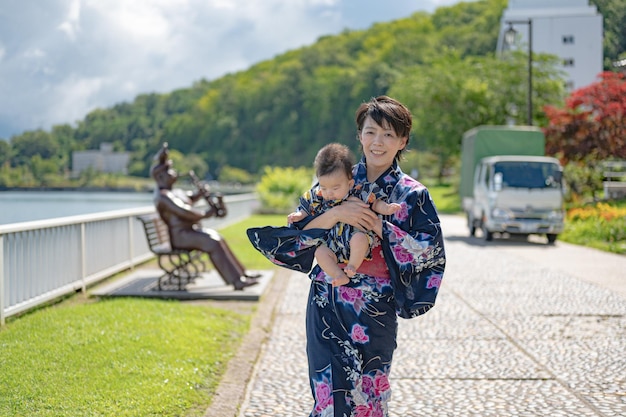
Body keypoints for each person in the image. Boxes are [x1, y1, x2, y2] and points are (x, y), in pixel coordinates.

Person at [248, 95, 446, 416]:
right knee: (328, 397)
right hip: (326, 299)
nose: (377, 142)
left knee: (368, 398)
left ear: (402, 141)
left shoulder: (412, 194)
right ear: (359, 135)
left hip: (373, 310)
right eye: (370, 132)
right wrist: (338, 213)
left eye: (388, 135)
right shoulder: (335, 177)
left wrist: (379, 226)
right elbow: (294, 236)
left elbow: (430, 254)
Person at [288, 143, 401, 287]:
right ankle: (338, 275)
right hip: (332, 244)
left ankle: (352, 266)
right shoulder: (320, 194)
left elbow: (375, 202)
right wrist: (299, 215)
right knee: (320, 252)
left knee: (360, 239)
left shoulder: (359, 190)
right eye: (324, 187)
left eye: (335, 188)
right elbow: (306, 205)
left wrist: (387, 208)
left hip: (354, 237)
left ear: (350, 183)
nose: (329, 193)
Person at [151, 143, 259, 290]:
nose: (174, 172)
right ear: (161, 176)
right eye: (170, 171)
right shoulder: (164, 196)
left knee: (218, 238)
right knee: (212, 242)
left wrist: (200, 193)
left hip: (188, 232)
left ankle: (242, 274)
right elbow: (184, 211)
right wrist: (205, 214)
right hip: (181, 236)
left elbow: (189, 198)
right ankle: (237, 281)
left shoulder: (173, 192)